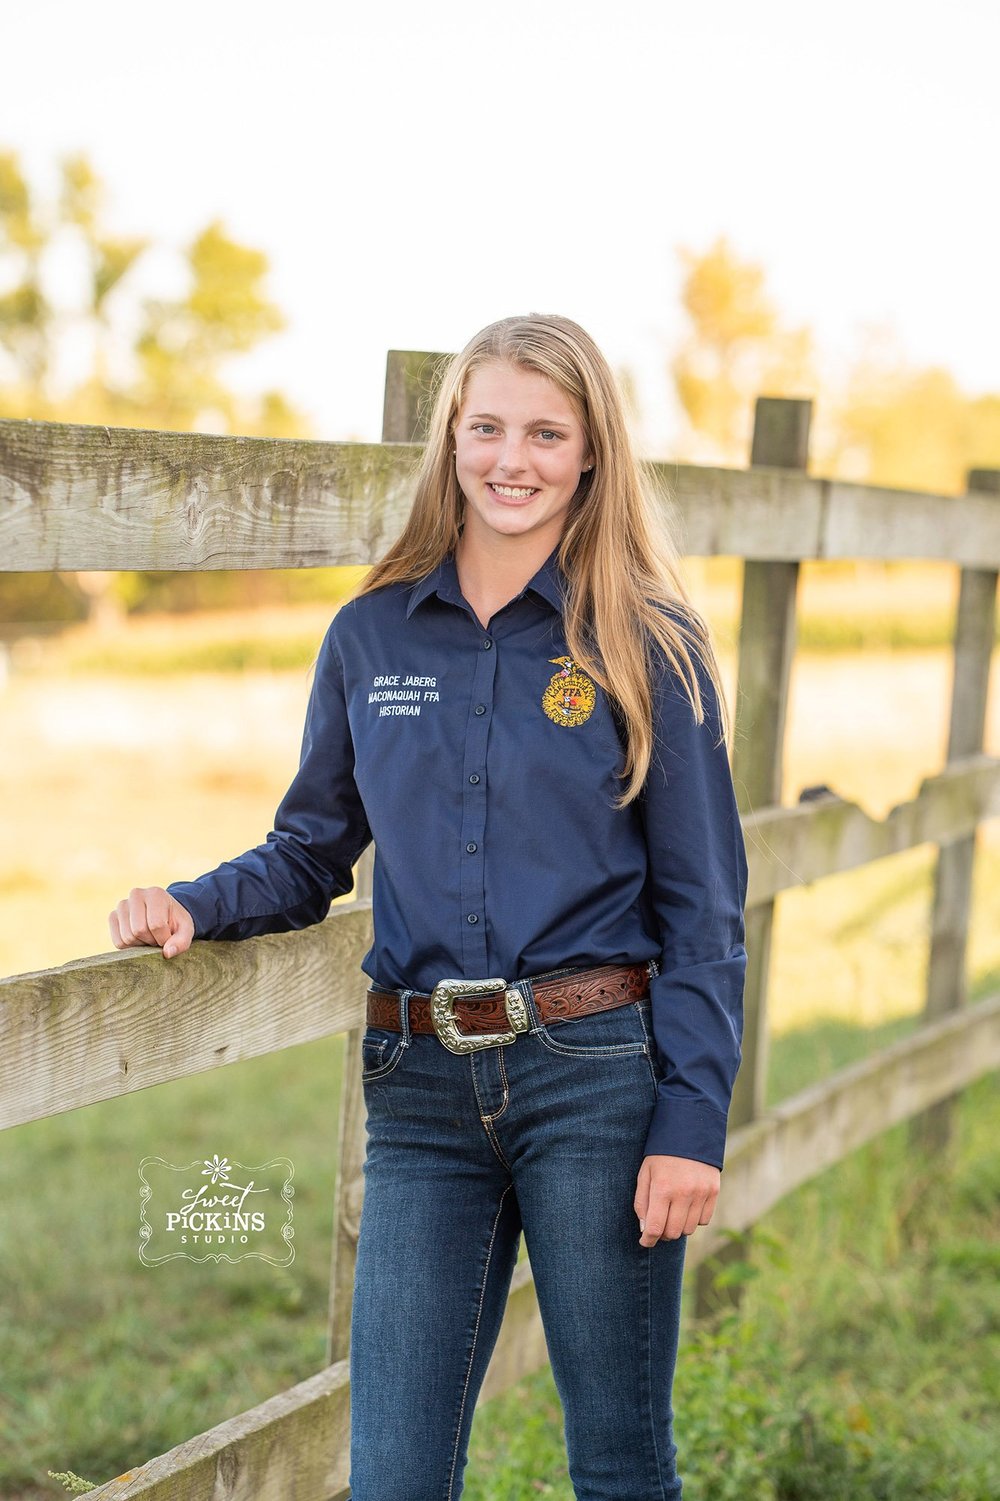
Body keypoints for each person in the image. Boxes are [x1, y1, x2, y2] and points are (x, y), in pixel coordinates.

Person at [110, 313, 748, 1501]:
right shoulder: (370, 634)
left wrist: (690, 1118)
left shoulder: (647, 641)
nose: (514, 458)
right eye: (488, 425)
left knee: (618, 1461)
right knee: (394, 1475)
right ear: (451, 436)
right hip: (418, 1094)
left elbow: (704, 903)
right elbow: (310, 851)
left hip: (596, 1075)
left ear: (592, 451)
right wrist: (197, 903)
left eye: (546, 432)